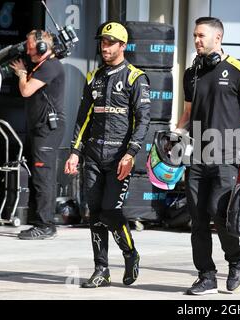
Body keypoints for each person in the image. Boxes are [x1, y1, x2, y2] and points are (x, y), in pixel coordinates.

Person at [176, 17, 240, 295]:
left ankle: (236, 258)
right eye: (194, 36)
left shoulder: (239, 70)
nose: (197, 41)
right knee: (198, 218)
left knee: (220, 212)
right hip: (196, 156)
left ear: (218, 37)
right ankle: (206, 276)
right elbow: (188, 113)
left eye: (201, 36)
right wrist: (174, 134)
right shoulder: (192, 74)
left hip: (227, 154)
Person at [64, 22, 151, 288]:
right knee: (94, 214)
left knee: (110, 212)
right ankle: (101, 270)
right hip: (93, 155)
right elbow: (84, 119)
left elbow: (143, 120)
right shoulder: (94, 77)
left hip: (118, 159)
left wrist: (131, 153)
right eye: (103, 41)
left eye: (111, 42)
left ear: (122, 46)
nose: (105, 46)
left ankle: (130, 253)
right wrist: (75, 152)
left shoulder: (136, 77)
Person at [9, 30, 65, 240]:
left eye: (31, 46)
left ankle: (45, 225)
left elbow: (26, 91)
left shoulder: (50, 66)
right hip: (40, 128)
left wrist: (22, 73)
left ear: (42, 48)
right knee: (38, 174)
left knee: (43, 176)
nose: (27, 49)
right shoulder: (42, 65)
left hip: (47, 130)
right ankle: (38, 221)